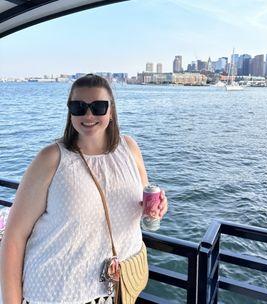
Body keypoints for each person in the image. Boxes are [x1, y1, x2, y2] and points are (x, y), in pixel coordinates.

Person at [0, 73, 168, 304]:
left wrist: (157, 209)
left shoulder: (129, 149)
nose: (88, 115)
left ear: (111, 111)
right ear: (70, 113)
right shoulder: (51, 159)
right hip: (56, 294)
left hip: (118, 288)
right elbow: (14, 237)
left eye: (98, 107)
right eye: (78, 106)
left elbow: (144, 205)